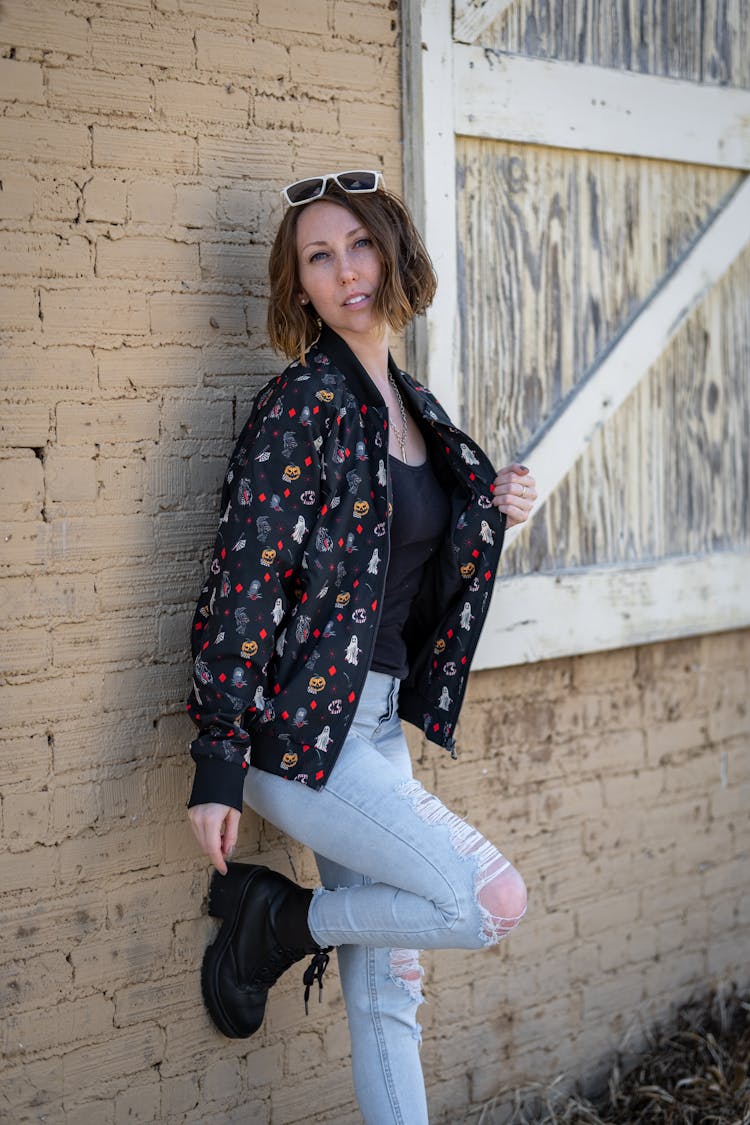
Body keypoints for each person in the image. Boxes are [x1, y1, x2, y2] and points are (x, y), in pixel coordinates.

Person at [187, 169, 536, 1124]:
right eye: (319, 256)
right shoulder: (303, 405)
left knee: (389, 996)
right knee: (485, 901)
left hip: (372, 733)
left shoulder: (413, 407)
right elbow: (243, 587)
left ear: (391, 251)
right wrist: (218, 764)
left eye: (360, 245)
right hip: (298, 741)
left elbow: (399, 583)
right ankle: (279, 922)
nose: (347, 270)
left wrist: (488, 512)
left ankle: (281, 925)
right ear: (298, 286)